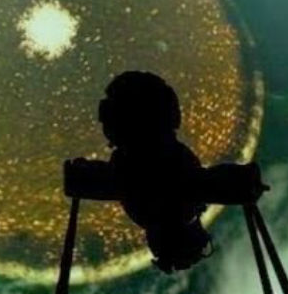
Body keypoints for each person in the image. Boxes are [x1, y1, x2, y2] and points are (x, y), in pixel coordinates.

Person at [95, 71, 268, 273]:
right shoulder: (148, 211)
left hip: (143, 112)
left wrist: (245, 185)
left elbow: (211, 182)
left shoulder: (181, 204)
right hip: (135, 114)